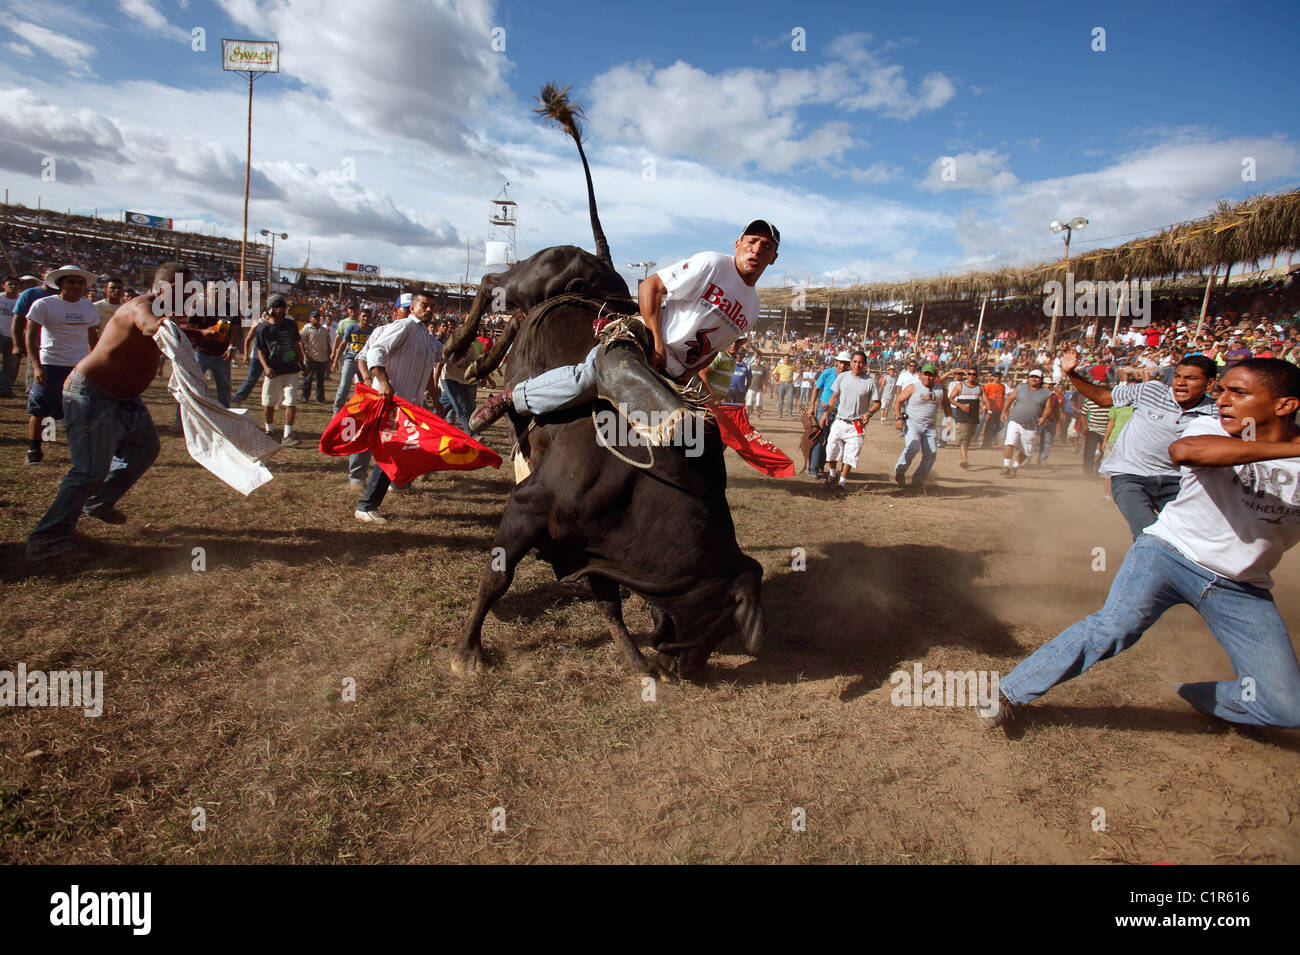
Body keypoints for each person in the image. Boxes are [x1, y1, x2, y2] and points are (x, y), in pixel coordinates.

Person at [984, 358, 1300, 731]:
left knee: (1286, 709)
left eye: (1239, 392)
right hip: (1167, 554)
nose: (1224, 400)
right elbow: (1186, 452)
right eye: (1223, 390)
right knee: (1115, 628)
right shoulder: (1210, 424)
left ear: (1284, 405)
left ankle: (1198, 696)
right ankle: (1009, 692)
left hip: (1241, 586)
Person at [466, 219, 780, 434]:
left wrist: (689, 372)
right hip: (645, 339)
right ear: (738, 244)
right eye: (751, 242)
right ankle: (510, 399)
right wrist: (656, 342)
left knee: (696, 434)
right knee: (592, 376)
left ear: (773, 258)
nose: (756, 250)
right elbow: (650, 287)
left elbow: (718, 348)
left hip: (676, 372)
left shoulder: (752, 309)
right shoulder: (713, 264)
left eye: (765, 247)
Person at [25, 263, 170, 561]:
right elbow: (148, 324)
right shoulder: (141, 306)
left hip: (124, 397)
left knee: (144, 448)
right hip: (93, 393)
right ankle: (46, 539)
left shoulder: (168, 312)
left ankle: (98, 501)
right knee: (89, 469)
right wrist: (162, 327)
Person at [1063, 347, 1218, 538]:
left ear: (1210, 384)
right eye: (1177, 376)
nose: (1181, 383)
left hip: (1178, 482)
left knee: (1185, 537)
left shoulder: (1216, 413)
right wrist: (1071, 374)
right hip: (1131, 476)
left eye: (1191, 378)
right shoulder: (1150, 390)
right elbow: (1103, 398)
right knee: (1148, 532)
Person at [352, 289, 442, 523]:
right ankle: (366, 506)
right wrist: (382, 381)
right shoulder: (404, 327)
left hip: (410, 405)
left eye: (432, 306)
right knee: (390, 451)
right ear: (412, 308)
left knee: (407, 447)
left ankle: (398, 483)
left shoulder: (426, 335)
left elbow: (444, 355)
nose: (429, 310)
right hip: (391, 402)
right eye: (424, 305)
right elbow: (376, 351)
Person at [23, 265, 101, 465]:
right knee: (40, 409)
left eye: (80, 282)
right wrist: (36, 365)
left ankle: (80, 452)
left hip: (78, 367)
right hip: (50, 364)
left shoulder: (89, 307)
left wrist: (97, 361)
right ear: (60, 284)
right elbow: (31, 335)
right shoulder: (44, 305)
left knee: (79, 410)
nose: (76, 286)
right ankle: (34, 450)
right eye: (71, 282)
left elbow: (93, 336)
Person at [820, 351, 880, 493]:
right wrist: (826, 413)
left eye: (860, 362)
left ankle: (842, 483)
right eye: (854, 362)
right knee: (831, 451)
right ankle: (833, 474)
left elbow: (877, 403)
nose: (857, 365)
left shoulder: (870, 382)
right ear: (851, 362)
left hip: (856, 425)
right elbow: (834, 396)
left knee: (850, 455)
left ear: (865, 364)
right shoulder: (842, 377)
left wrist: (869, 413)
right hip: (840, 420)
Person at [254, 294, 305, 446]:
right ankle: (269, 430)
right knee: (268, 402)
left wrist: (303, 364)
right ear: (270, 309)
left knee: (290, 401)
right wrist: (266, 367)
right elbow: (260, 350)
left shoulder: (290, 324)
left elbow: (296, 346)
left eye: (282, 308)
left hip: (291, 369)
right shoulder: (263, 328)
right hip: (273, 371)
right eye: (276, 308)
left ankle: (288, 434)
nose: (279, 311)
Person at [893, 362, 949, 486]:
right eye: (925, 374)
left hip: (930, 427)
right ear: (920, 374)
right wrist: (898, 418)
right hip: (913, 424)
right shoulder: (913, 387)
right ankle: (900, 471)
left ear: (935, 376)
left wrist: (949, 419)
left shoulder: (940, 389)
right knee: (913, 447)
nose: (928, 377)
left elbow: (946, 404)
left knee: (931, 453)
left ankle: (918, 479)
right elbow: (898, 401)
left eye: (931, 375)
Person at [1000, 369, 1051, 477]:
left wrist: (1043, 417)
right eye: (1032, 376)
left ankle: (1014, 467)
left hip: (1032, 425)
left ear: (1041, 379)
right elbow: (1009, 399)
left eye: (1037, 377)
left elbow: (1048, 408)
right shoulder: (1020, 388)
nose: (1034, 379)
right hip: (1015, 420)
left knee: (1025, 451)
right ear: (1029, 378)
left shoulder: (1046, 393)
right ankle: (1006, 466)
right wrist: (1004, 411)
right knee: (1010, 442)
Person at [809, 353, 849, 478]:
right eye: (841, 362)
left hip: (839, 412)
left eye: (846, 363)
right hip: (823, 408)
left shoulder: (849, 377)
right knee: (819, 439)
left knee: (833, 441)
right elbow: (816, 389)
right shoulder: (827, 373)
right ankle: (813, 469)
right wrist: (811, 407)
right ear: (836, 361)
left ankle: (821, 464)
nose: (843, 365)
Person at [331, 307, 373, 413]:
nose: (366, 318)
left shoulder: (373, 331)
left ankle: (361, 410)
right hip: (350, 359)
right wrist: (335, 359)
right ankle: (337, 411)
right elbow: (343, 344)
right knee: (344, 386)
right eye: (363, 316)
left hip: (364, 362)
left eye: (368, 316)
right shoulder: (351, 328)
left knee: (366, 388)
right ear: (359, 317)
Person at [950, 368, 983, 469]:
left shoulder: (979, 387)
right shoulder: (960, 386)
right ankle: (965, 458)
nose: (971, 376)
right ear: (967, 375)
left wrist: (986, 408)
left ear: (976, 376)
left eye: (974, 375)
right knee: (963, 437)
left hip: (973, 416)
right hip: (962, 415)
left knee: (968, 438)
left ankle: (961, 457)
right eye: (969, 374)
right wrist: (961, 405)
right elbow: (951, 399)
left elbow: (985, 399)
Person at [299, 309, 331, 402]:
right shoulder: (307, 328)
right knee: (308, 379)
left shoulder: (324, 330)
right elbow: (301, 342)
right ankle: (305, 397)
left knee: (320, 380)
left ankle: (320, 398)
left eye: (318, 317)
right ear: (310, 318)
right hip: (311, 358)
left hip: (322, 358)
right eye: (314, 317)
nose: (317, 319)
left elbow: (328, 343)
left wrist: (329, 355)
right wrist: (305, 355)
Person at [0, 276, 21, 397]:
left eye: (16, 284)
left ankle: (4, 390)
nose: (13, 287)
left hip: (14, 337)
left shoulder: (21, 300)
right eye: (10, 284)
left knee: (10, 365)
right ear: (4, 285)